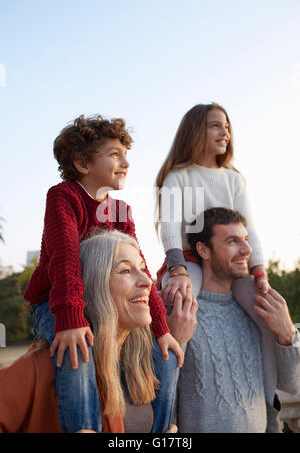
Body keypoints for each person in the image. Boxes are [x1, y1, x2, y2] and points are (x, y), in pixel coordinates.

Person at [23, 115, 183, 433]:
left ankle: (163, 431)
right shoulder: (62, 197)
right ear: (82, 163)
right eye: (114, 154)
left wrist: (161, 326)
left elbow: (140, 268)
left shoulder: (121, 211)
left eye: (125, 154)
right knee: (78, 348)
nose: (125, 162)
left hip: (107, 305)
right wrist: (70, 319)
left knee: (164, 353)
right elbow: (65, 260)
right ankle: (84, 428)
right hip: (55, 304)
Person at [0, 230, 193, 433]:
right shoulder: (46, 365)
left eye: (143, 269)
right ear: (92, 285)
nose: (146, 282)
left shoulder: (150, 366)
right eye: (125, 271)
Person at [155, 102, 276, 404]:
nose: (225, 132)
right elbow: (168, 227)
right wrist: (177, 269)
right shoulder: (178, 176)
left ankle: (271, 400)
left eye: (227, 125)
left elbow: (250, 229)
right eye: (215, 125)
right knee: (179, 305)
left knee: (269, 315)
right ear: (196, 131)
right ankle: (165, 402)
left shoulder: (234, 179)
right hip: (191, 260)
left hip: (234, 266)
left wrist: (259, 272)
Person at [173, 207, 300, 433]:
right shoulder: (182, 314)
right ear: (203, 250)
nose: (247, 250)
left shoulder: (259, 312)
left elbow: (292, 384)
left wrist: (287, 333)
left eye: (246, 240)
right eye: (233, 241)